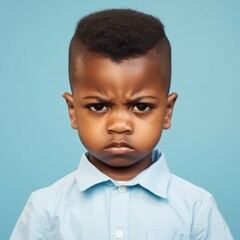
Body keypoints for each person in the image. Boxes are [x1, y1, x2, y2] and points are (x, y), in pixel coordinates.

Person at [10, 9, 233, 239]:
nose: (119, 125)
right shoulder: (45, 209)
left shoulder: (196, 209)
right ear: (72, 111)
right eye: (98, 107)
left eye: (141, 106)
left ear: (167, 112)